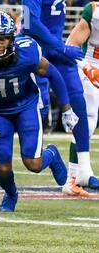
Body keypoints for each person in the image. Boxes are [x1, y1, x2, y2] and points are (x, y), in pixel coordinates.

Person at [0, 11, 78, 212]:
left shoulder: (28, 52)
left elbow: (53, 75)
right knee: (3, 168)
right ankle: (11, 195)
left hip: (26, 106)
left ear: (12, 38)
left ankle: (52, 154)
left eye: (3, 38)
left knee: (33, 163)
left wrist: (67, 108)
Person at [21, 0, 99, 191]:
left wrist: (83, 64)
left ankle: (83, 171)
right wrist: (61, 46)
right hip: (33, 49)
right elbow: (30, 23)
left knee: (79, 103)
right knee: (40, 110)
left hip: (55, 50)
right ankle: (44, 159)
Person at [62, 2, 99, 196]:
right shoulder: (94, 11)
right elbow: (71, 45)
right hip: (92, 68)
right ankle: (73, 179)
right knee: (88, 121)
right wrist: (86, 66)